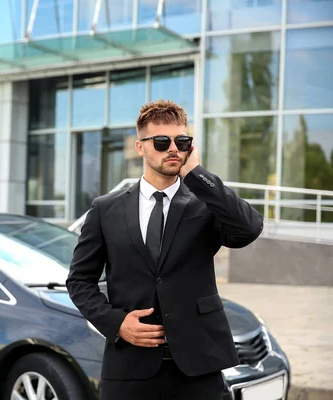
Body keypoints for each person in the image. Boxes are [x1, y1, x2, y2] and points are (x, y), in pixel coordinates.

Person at [66, 99, 263, 399]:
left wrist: (198, 174)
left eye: (181, 141)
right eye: (161, 141)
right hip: (130, 369)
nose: (173, 148)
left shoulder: (205, 203)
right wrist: (116, 323)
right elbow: (79, 281)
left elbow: (249, 228)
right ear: (140, 147)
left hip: (199, 369)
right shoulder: (106, 209)